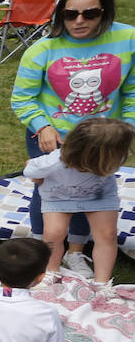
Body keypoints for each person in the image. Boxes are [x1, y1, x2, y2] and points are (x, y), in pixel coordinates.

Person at [12, 0, 135, 278]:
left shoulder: (128, 38)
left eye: (89, 14)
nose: (79, 21)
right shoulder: (43, 48)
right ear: (60, 14)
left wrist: (126, 130)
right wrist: (42, 127)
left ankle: (76, 253)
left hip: (102, 140)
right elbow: (22, 98)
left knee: (91, 193)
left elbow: (132, 91)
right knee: (50, 196)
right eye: (70, 14)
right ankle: (44, 253)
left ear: (104, 12)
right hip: (53, 138)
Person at [23, 116, 132, 290]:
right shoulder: (54, 161)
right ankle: (51, 271)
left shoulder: (110, 158)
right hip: (59, 198)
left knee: (107, 235)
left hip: (99, 196)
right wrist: (38, 177)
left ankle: (102, 283)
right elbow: (30, 167)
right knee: (53, 234)